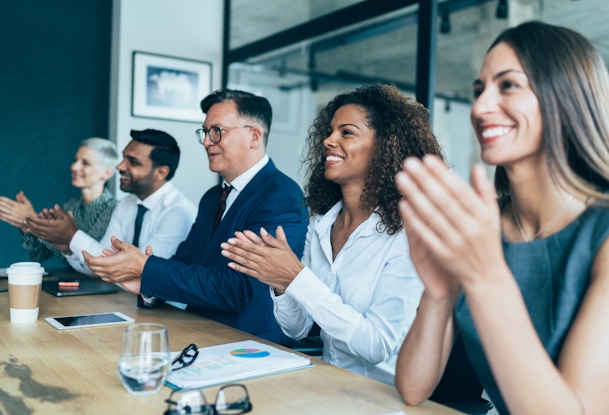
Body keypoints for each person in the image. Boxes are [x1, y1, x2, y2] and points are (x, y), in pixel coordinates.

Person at [394, 21, 609, 415]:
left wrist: (485, 276)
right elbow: (412, 387)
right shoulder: (481, 226)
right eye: (478, 91)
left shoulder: (603, 235)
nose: (479, 108)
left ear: (566, 96)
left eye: (507, 85)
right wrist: (440, 292)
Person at [219, 84, 443, 385]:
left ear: (385, 145)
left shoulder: (408, 235)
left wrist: (297, 277)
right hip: (325, 384)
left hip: (380, 398)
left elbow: (376, 346)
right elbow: (297, 329)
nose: (328, 140)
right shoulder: (321, 224)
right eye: (329, 131)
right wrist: (282, 284)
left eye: (346, 132)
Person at [82, 89, 309, 346]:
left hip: (248, 345)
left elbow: (240, 289)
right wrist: (145, 283)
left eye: (217, 131)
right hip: (195, 334)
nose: (206, 142)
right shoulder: (212, 197)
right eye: (205, 132)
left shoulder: (281, 196)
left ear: (254, 136)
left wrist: (147, 269)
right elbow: (186, 261)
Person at [25, 129, 197, 277]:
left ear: (160, 172)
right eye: (123, 158)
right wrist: (67, 247)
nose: (120, 166)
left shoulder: (178, 213)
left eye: (133, 162)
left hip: (167, 312)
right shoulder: (126, 205)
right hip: (125, 303)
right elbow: (102, 264)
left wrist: (72, 236)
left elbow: (137, 271)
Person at [0, 138, 118, 264]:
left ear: (107, 173)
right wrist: (28, 225)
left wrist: (35, 221)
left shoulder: (114, 210)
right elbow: (39, 254)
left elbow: (90, 255)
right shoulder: (70, 206)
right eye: (75, 160)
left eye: (85, 163)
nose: (74, 167)